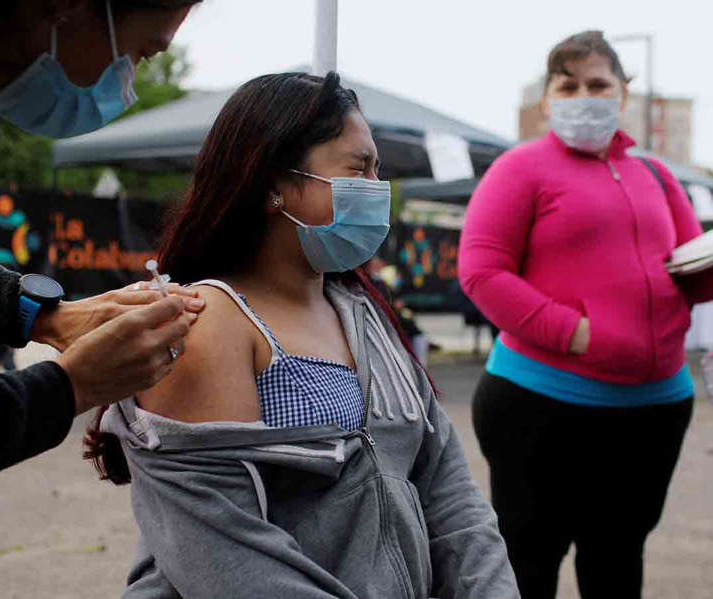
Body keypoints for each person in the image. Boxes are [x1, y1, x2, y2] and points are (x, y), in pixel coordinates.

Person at [85, 72, 519, 599]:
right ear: (272, 184)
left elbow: (451, 494)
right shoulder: (212, 322)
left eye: (378, 171)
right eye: (358, 170)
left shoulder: (365, 315)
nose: (377, 191)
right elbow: (228, 558)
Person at [0, 0, 205, 499]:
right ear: (63, 8)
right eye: (138, 53)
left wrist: (43, 315)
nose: (128, 85)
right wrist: (70, 386)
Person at [458, 30, 711, 599]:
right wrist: (577, 334)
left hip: (655, 410)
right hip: (543, 407)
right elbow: (482, 271)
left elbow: (690, 271)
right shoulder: (520, 168)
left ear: (624, 93)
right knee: (530, 561)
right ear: (547, 100)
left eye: (598, 84)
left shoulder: (657, 175)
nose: (584, 96)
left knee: (618, 557)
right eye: (567, 85)